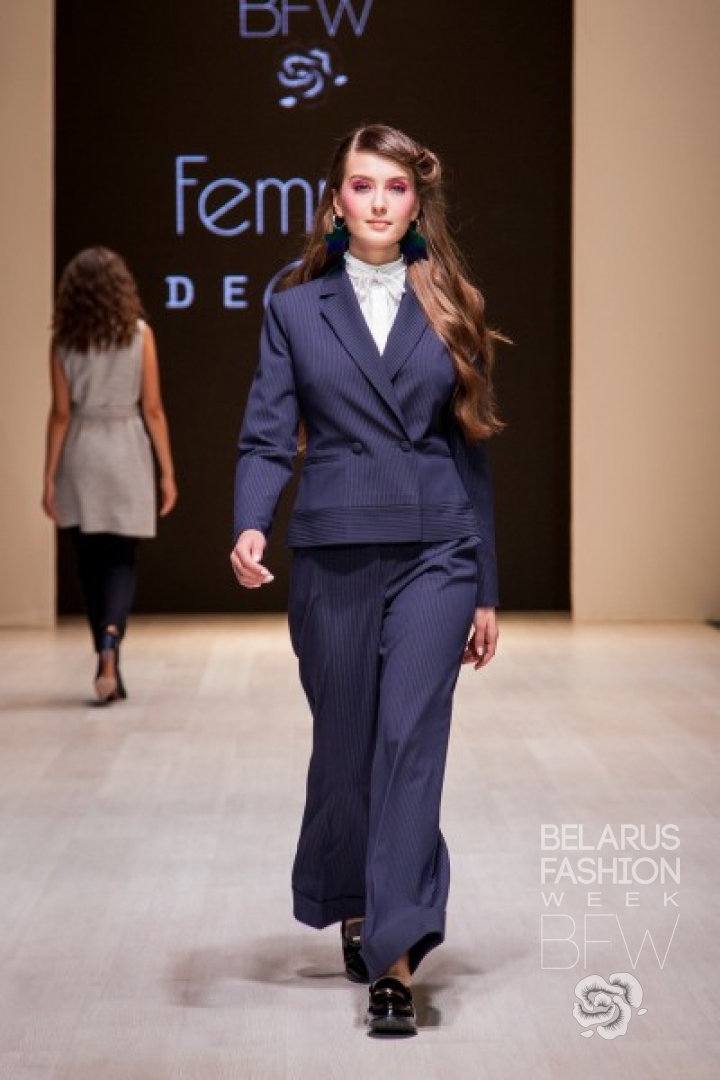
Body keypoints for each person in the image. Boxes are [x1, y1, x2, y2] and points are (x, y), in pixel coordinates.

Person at [231, 123, 504, 1036]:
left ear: (416, 202)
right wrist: (251, 520)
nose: (379, 202)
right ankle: (354, 894)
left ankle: (395, 958)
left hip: (437, 550)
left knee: (408, 743)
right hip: (337, 548)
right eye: (362, 185)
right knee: (347, 749)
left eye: (395, 187)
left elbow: (472, 448)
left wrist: (486, 585)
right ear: (336, 201)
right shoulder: (294, 308)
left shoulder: (454, 301)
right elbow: (267, 434)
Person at [42, 246, 177, 703]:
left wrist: (48, 477)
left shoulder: (63, 341)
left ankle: (103, 653)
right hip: (126, 450)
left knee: (89, 563)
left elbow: (60, 414)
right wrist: (167, 472)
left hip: (81, 451)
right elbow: (153, 408)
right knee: (121, 559)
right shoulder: (140, 335)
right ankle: (111, 641)